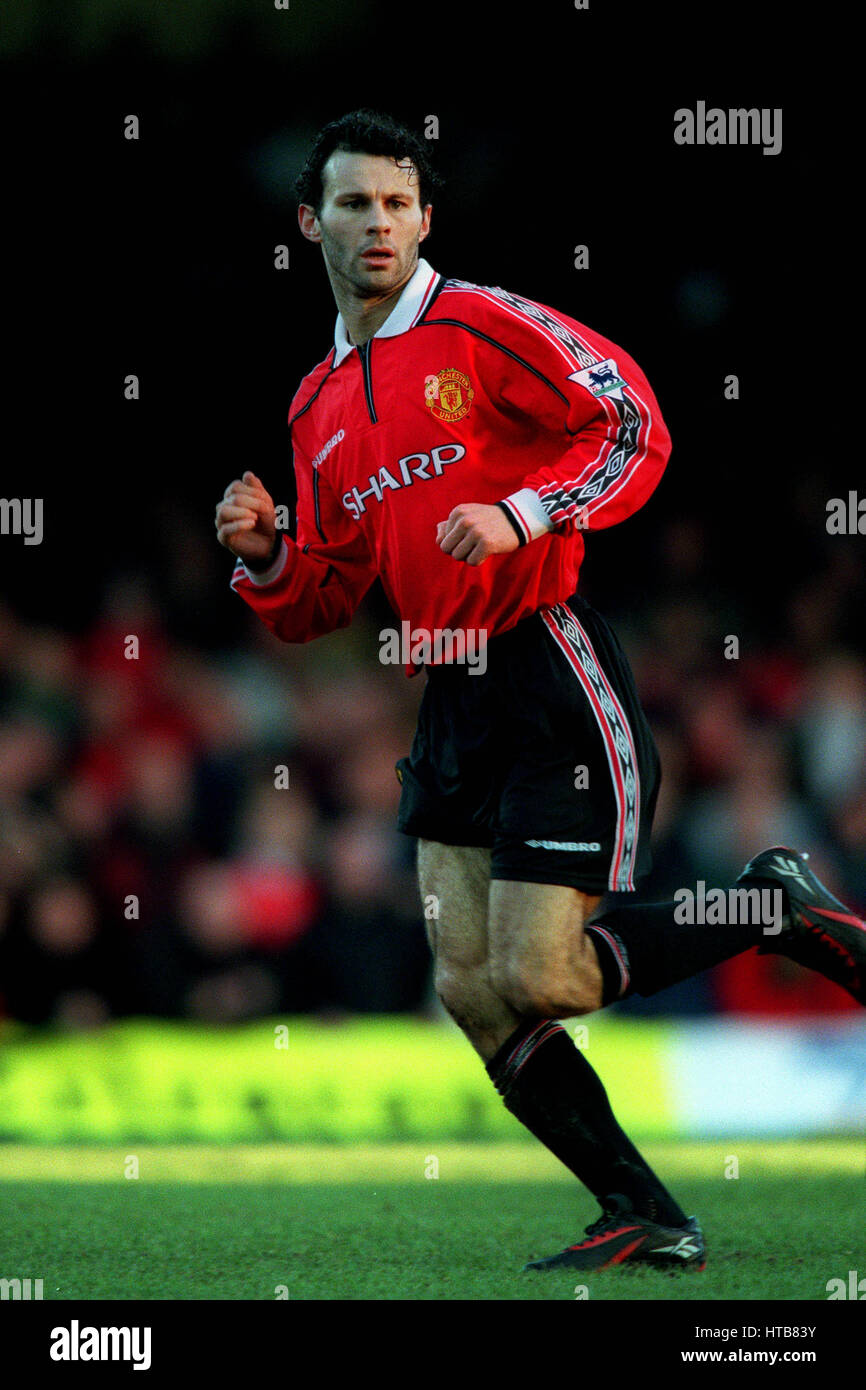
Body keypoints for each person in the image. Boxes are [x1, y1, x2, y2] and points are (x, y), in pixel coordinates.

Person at [215, 109, 866, 1272]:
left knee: (540, 973)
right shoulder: (316, 406)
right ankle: (648, 1213)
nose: (379, 222)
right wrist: (268, 554)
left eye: (399, 202)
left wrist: (523, 511)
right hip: (447, 694)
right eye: (356, 202)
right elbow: (327, 591)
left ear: (426, 219)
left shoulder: (480, 322)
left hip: (542, 653)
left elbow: (629, 419)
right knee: (471, 987)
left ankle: (767, 905)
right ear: (309, 221)